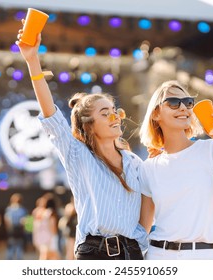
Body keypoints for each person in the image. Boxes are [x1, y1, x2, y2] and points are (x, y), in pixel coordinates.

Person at [15, 27, 147, 260]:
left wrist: (140, 238)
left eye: (115, 111)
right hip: (93, 254)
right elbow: (51, 114)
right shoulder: (77, 154)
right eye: (105, 113)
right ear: (89, 125)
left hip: (132, 254)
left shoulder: (135, 162)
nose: (115, 117)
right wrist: (32, 61)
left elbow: (148, 204)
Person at [138, 80, 213, 260]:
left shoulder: (212, 150)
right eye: (174, 103)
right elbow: (142, 228)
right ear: (156, 114)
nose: (183, 108)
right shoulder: (148, 167)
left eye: (188, 102)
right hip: (157, 256)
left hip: (201, 257)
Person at [32, 192, 60, 260]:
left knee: (45, 255)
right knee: (52, 256)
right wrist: (55, 236)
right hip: (49, 237)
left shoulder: (38, 212)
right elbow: (52, 226)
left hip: (39, 236)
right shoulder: (50, 213)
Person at [4, 193, 28, 260]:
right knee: (16, 247)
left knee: (14, 248)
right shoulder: (22, 210)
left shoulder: (10, 209)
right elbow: (24, 221)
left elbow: (7, 221)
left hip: (15, 230)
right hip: (16, 230)